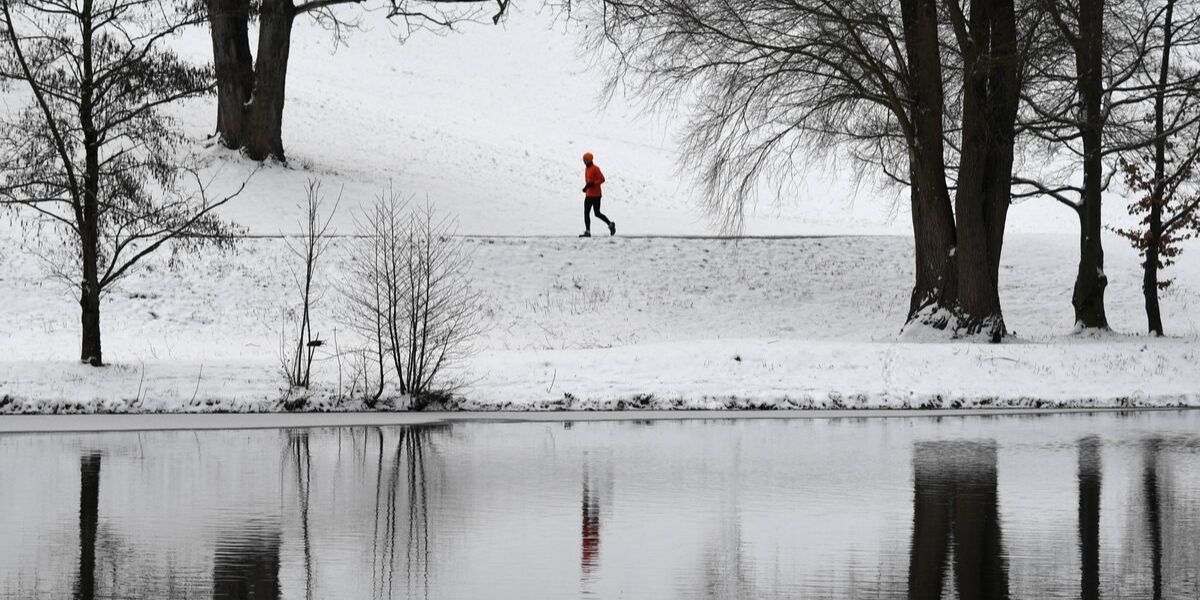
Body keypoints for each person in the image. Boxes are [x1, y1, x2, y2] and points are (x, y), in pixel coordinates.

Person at [580, 152, 616, 237]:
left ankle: (610, 224)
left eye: (585, 160)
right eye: (583, 160)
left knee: (597, 213)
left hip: (596, 195)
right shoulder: (587, 169)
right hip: (588, 195)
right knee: (586, 213)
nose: (584, 161)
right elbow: (589, 182)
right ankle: (588, 232)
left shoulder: (595, 168)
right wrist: (586, 188)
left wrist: (593, 184)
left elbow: (602, 179)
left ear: (589, 160)